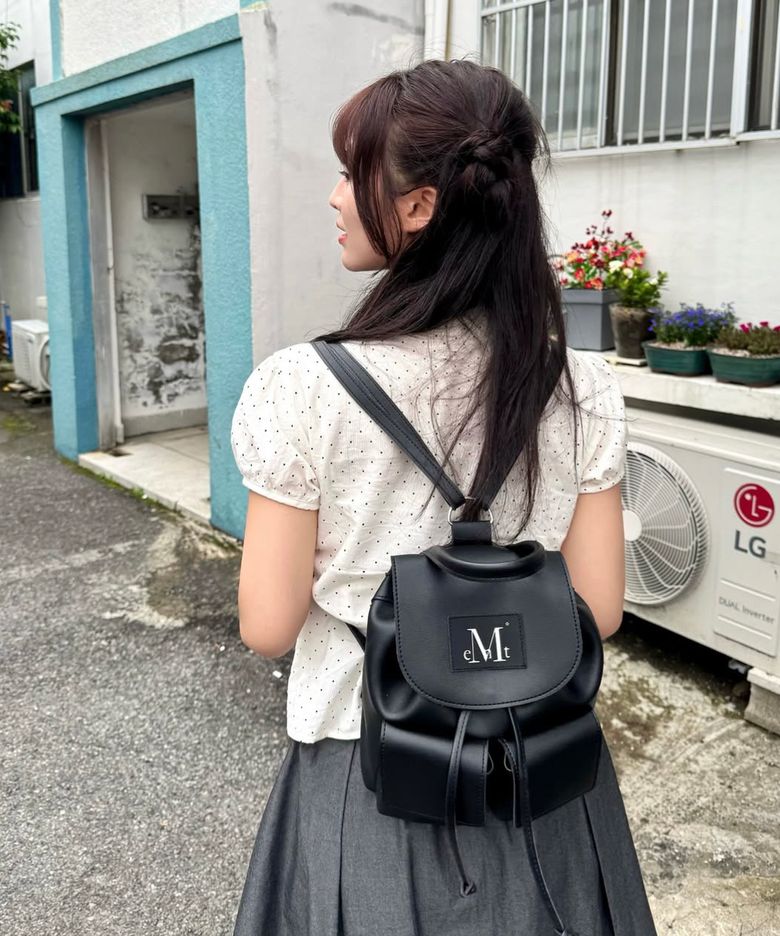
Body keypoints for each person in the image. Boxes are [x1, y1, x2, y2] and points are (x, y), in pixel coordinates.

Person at [230, 58, 657, 936]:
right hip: (542, 772)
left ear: (420, 205)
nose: (335, 197)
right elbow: (601, 609)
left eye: (351, 173)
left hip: (370, 767)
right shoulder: (581, 387)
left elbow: (268, 626)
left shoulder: (301, 388)